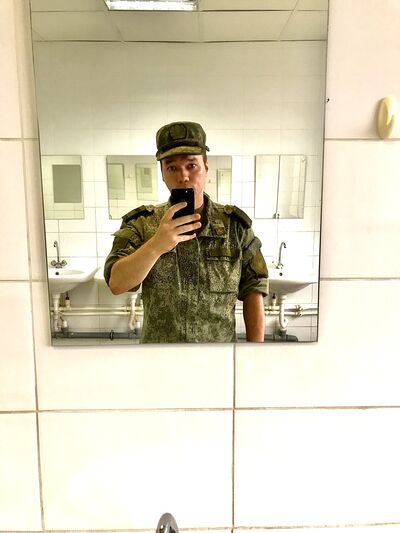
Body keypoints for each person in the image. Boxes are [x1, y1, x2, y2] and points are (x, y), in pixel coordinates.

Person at [104, 121, 268, 343]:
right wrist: (156, 245)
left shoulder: (235, 228)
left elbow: (254, 289)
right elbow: (116, 283)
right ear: (162, 173)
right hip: (159, 357)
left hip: (217, 357)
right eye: (172, 167)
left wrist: (255, 354)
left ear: (206, 167)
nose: (183, 176)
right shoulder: (142, 224)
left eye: (191, 165)